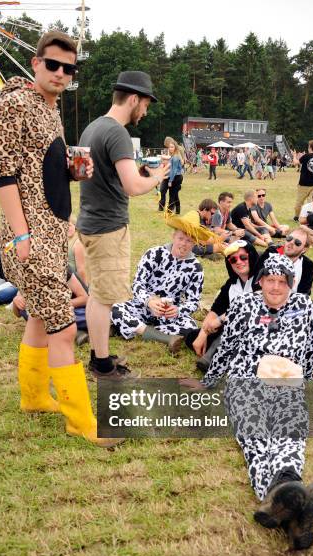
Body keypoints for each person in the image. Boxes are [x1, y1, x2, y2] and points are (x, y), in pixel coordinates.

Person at [0, 30, 119, 447]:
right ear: (36, 64)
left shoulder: (50, 107)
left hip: (50, 230)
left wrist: (70, 169)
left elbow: (37, 166)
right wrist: (21, 233)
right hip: (31, 237)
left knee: (43, 319)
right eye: (53, 65)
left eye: (69, 68)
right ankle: (82, 422)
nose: (61, 73)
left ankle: (32, 398)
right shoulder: (15, 104)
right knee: (63, 330)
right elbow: (3, 172)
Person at [185, 253, 313, 551]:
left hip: (287, 383)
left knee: (291, 435)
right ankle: (291, 501)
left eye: (282, 282)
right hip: (245, 383)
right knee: (257, 438)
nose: (275, 287)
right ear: (260, 280)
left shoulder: (304, 307)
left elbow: (311, 346)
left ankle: (283, 500)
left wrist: (310, 379)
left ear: (291, 284)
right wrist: (208, 382)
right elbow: (227, 348)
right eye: (269, 280)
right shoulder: (244, 305)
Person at [76, 70, 170, 379]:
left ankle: (99, 354)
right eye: (145, 104)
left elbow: (94, 176)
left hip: (89, 221)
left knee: (96, 294)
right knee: (104, 298)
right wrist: (157, 177)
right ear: (133, 99)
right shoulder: (117, 133)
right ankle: (102, 365)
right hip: (108, 227)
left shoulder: (92, 128)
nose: (145, 112)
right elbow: (132, 186)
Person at [111, 212, 207, 353]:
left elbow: (194, 301)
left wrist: (178, 310)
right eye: (181, 238)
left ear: (195, 243)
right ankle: (164, 337)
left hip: (170, 314)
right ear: (173, 236)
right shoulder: (154, 254)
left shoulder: (196, 268)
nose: (184, 244)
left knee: (191, 327)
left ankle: (138, 329)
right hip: (143, 307)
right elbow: (137, 284)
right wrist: (149, 301)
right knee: (116, 309)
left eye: (189, 241)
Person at [185, 240, 259, 371]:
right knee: (193, 336)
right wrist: (204, 333)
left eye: (243, 257)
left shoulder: (262, 280)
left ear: (251, 256)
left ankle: (212, 359)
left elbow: (251, 308)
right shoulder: (232, 284)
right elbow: (215, 309)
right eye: (233, 260)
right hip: (232, 331)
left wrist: (220, 320)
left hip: (259, 329)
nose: (239, 262)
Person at [255, 227, 313, 320]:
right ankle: (277, 320)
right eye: (289, 238)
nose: (291, 243)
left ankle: (275, 319)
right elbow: (255, 282)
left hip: (289, 306)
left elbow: (304, 295)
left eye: (297, 243)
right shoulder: (271, 253)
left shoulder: (307, 265)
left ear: (304, 249)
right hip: (266, 300)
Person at [292, 141, 313, 221]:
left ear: (310, 147)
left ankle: (297, 216)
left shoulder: (306, 156)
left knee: (299, 203)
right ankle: (311, 218)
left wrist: (294, 156)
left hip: (304, 184)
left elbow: (295, 163)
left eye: (308, 146)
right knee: (311, 202)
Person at [162, 139, 184, 213]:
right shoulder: (174, 155)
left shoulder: (175, 157)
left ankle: (170, 210)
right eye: (169, 147)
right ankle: (177, 210)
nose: (170, 148)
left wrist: (170, 181)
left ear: (175, 148)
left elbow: (174, 170)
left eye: (172, 147)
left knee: (172, 195)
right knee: (175, 195)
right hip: (177, 176)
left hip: (176, 177)